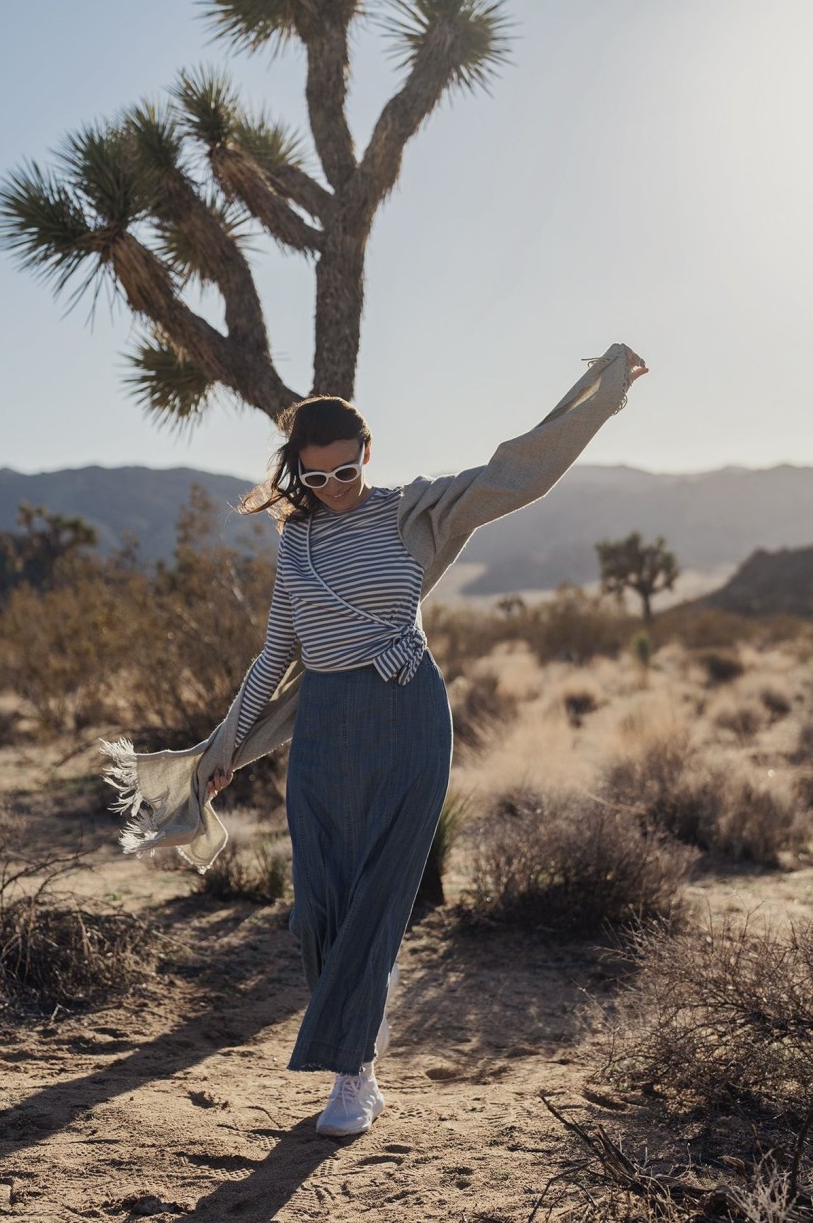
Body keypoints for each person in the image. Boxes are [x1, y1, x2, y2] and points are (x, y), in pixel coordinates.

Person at [101, 342, 648, 1139]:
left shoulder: (413, 510)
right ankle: (363, 1022)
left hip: (407, 715)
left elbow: (514, 471)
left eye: (344, 474)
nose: (331, 490)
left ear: (367, 455)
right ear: (298, 470)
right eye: (314, 479)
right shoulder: (297, 544)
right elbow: (276, 654)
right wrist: (224, 745)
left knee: (382, 896)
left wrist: (600, 397)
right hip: (324, 727)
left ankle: (352, 1077)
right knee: (320, 900)